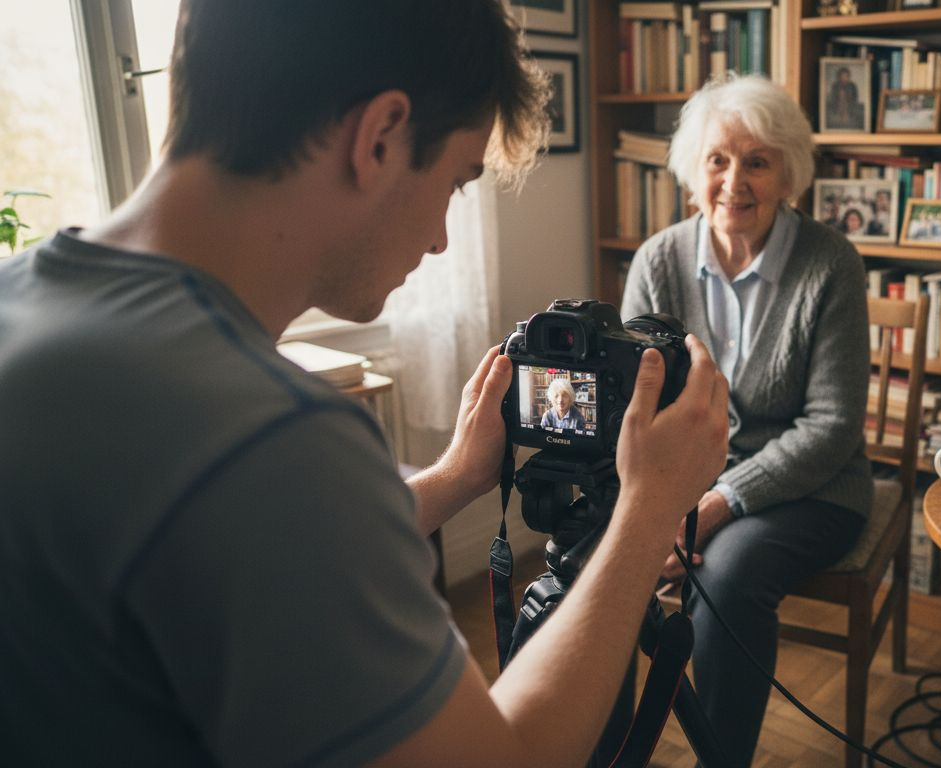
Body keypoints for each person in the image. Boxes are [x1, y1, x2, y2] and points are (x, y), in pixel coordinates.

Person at [0, 2, 730, 766]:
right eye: (455, 182)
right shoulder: (272, 437)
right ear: (380, 137)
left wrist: (456, 477)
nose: (444, 237)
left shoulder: (27, 306)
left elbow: (253, 552)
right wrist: (647, 514)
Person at [622, 74, 872, 768]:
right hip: (686, 484)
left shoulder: (831, 265)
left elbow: (833, 425)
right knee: (592, 559)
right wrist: (656, 507)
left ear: (787, 174)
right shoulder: (658, 261)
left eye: (757, 161)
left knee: (726, 576)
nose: (735, 181)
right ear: (692, 172)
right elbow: (635, 411)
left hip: (813, 487)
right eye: (718, 160)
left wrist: (717, 504)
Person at [826, 66, 863, 130]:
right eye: (842, 76)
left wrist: (847, 97)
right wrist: (840, 97)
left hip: (850, 104)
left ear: (848, 77)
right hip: (837, 104)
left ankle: (846, 116)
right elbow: (833, 98)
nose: (844, 78)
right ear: (839, 77)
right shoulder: (835, 86)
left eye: (845, 76)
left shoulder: (852, 86)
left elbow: (855, 97)